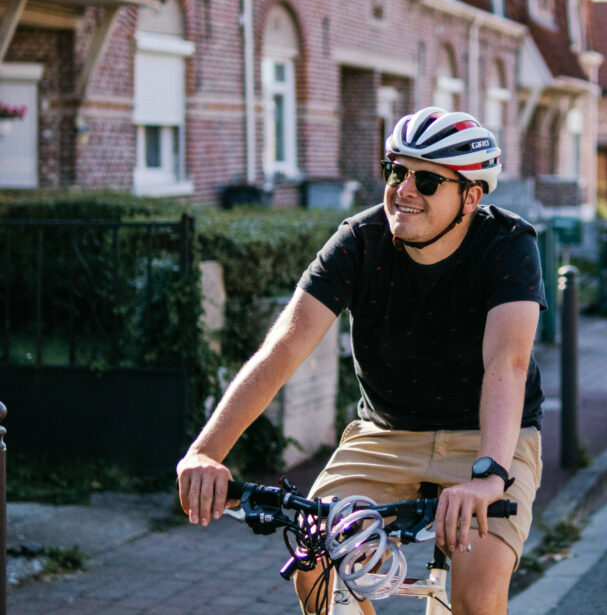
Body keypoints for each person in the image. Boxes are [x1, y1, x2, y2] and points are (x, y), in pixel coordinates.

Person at [176, 107, 546, 615]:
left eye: (427, 180)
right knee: (316, 560)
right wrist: (206, 452)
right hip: (386, 436)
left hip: (487, 438)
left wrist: (488, 476)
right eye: (396, 171)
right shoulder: (359, 240)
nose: (404, 190)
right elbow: (283, 347)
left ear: (471, 197)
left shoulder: (507, 244)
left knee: (478, 595)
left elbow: (508, 362)